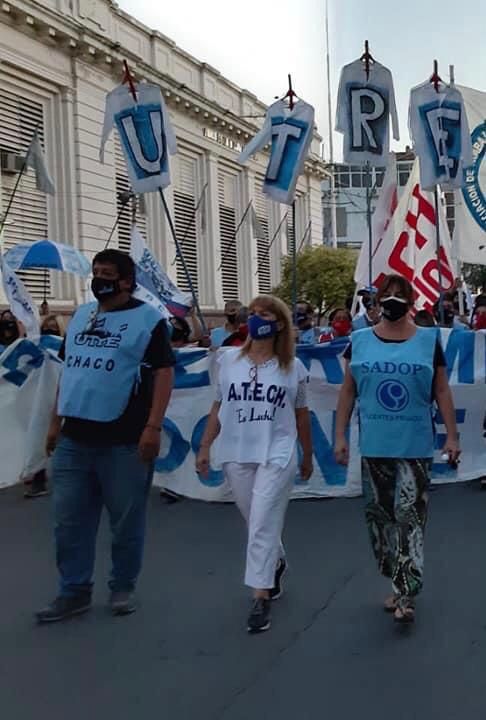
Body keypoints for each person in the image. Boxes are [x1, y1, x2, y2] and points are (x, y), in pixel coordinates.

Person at [36, 249, 175, 623]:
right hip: (74, 438)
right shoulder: (81, 315)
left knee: (125, 522)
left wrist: (153, 426)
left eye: (107, 273)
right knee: (68, 523)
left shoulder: (149, 320)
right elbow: (71, 372)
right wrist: (54, 422)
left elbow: (164, 372)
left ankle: (122, 586)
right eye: (96, 272)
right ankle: (73, 592)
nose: (99, 278)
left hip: (125, 440)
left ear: (127, 281)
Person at [334, 273, 459, 624]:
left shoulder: (428, 341)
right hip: (375, 446)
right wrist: (341, 436)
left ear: (411, 301)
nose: (391, 299)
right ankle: (395, 576)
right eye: (385, 294)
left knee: (410, 519)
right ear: (376, 303)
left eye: (398, 294)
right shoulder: (358, 342)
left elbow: (442, 391)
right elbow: (348, 391)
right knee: (381, 524)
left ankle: (406, 592)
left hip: (414, 446)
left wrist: (452, 436)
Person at [196, 295, 313, 634]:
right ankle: (275, 561)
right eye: (254, 313)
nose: (256, 318)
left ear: (279, 324)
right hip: (236, 451)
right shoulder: (229, 360)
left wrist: (307, 454)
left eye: (265, 314)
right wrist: (205, 446)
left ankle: (260, 596)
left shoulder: (293, 367)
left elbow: (302, 415)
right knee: (255, 520)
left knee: (262, 519)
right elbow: (218, 406)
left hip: (277, 452)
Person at [24, 315, 67, 500]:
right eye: (46, 327)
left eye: (53, 327)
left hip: (62, 396)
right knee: (38, 435)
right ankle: (38, 477)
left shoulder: (66, 347)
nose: (50, 330)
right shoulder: (35, 348)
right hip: (41, 399)